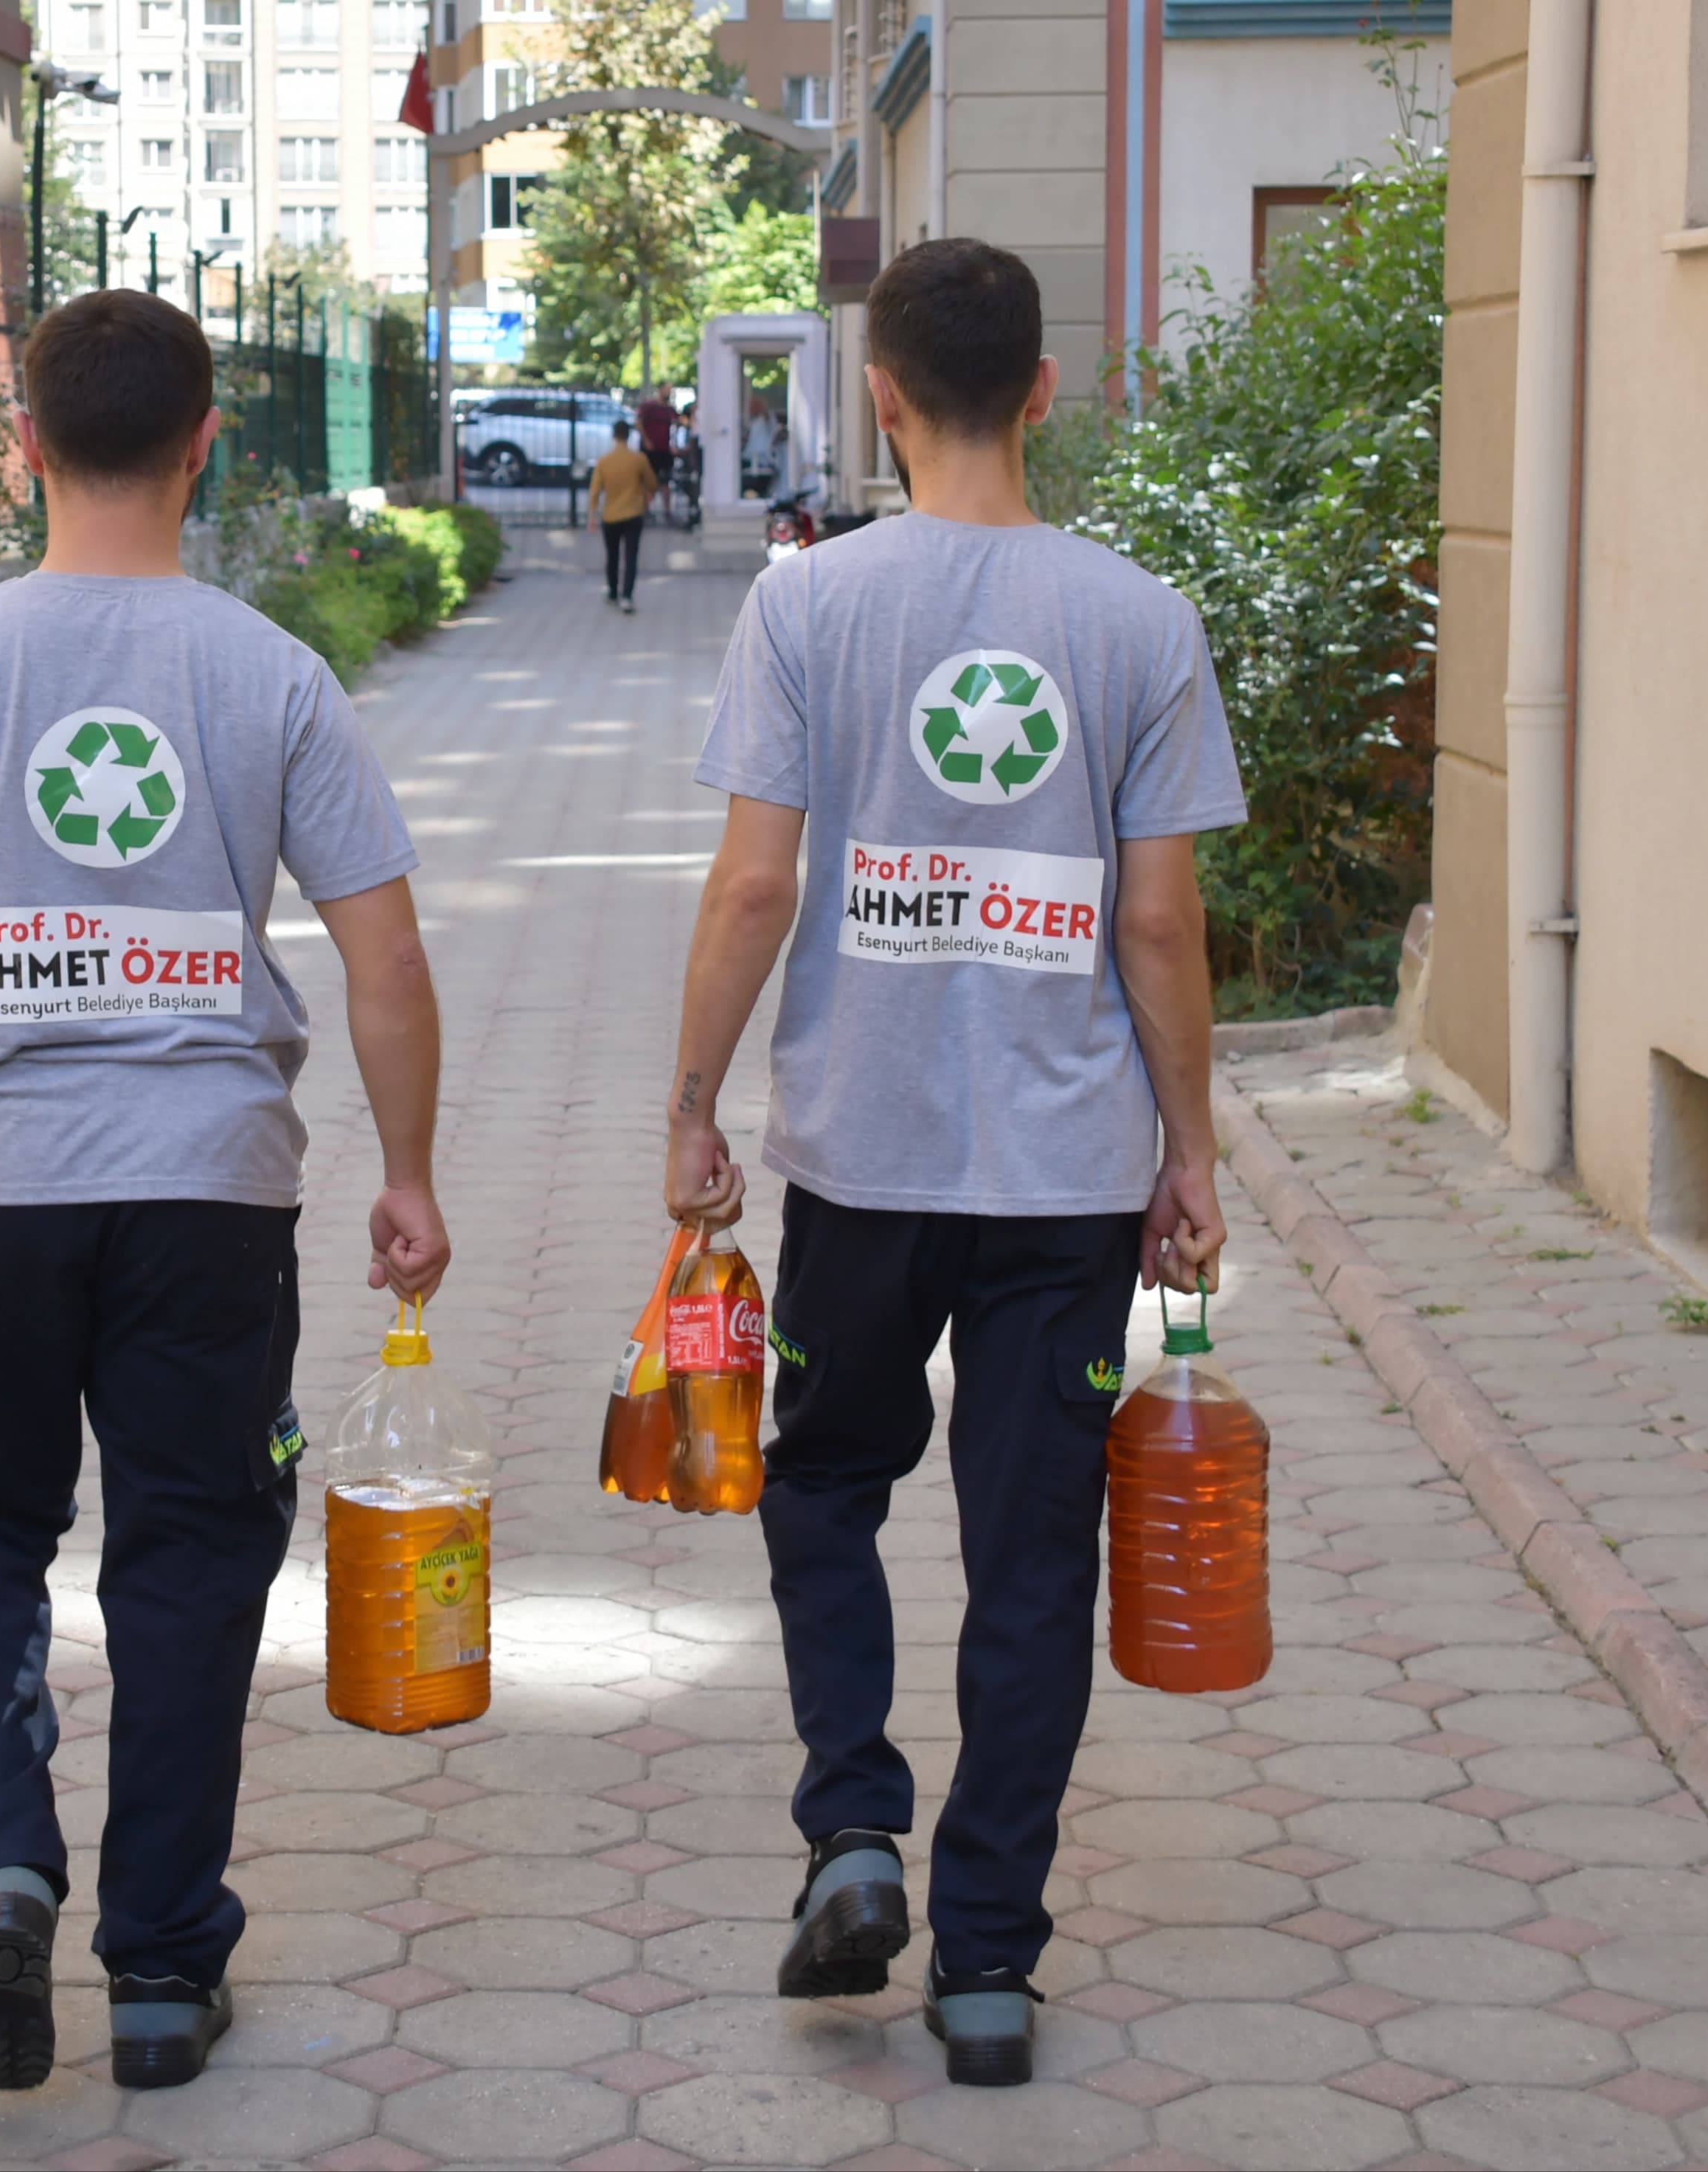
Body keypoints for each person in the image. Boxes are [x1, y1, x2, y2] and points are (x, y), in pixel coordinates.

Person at [0, 289, 451, 2097]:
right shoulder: (271, 674)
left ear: (21, 447)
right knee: (192, 1552)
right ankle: (163, 1966)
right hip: (208, 1195)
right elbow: (385, 955)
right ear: (208, 443)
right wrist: (408, 1173)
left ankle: (2, 1862)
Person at [657, 238, 1243, 2088]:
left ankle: (851, 1821)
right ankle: (987, 1959)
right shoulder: (1137, 619)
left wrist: (690, 1100)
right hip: (1065, 1178)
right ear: (1044, 392)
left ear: (883, 397)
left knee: (823, 1484)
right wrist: (1191, 1149)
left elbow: (754, 885)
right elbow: (1160, 923)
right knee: (1031, 1551)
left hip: (861, 1156)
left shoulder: (808, 607)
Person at [586, 419, 656, 613]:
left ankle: (612, 593)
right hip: (633, 513)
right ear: (629, 435)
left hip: (611, 516)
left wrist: (592, 516)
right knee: (631, 556)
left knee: (612, 555)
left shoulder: (604, 461)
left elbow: (594, 491)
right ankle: (627, 597)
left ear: (614, 436)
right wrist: (646, 492)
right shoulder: (639, 459)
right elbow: (652, 483)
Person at [636, 382, 679, 513]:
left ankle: (667, 511)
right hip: (650, 451)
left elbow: (676, 425)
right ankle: (646, 511)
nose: (669, 392)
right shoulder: (649, 406)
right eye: (667, 389)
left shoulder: (669, 409)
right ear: (660, 390)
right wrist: (646, 440)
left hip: (664, 450)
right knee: (648, 481)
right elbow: (639, 423)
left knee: (666, 482)